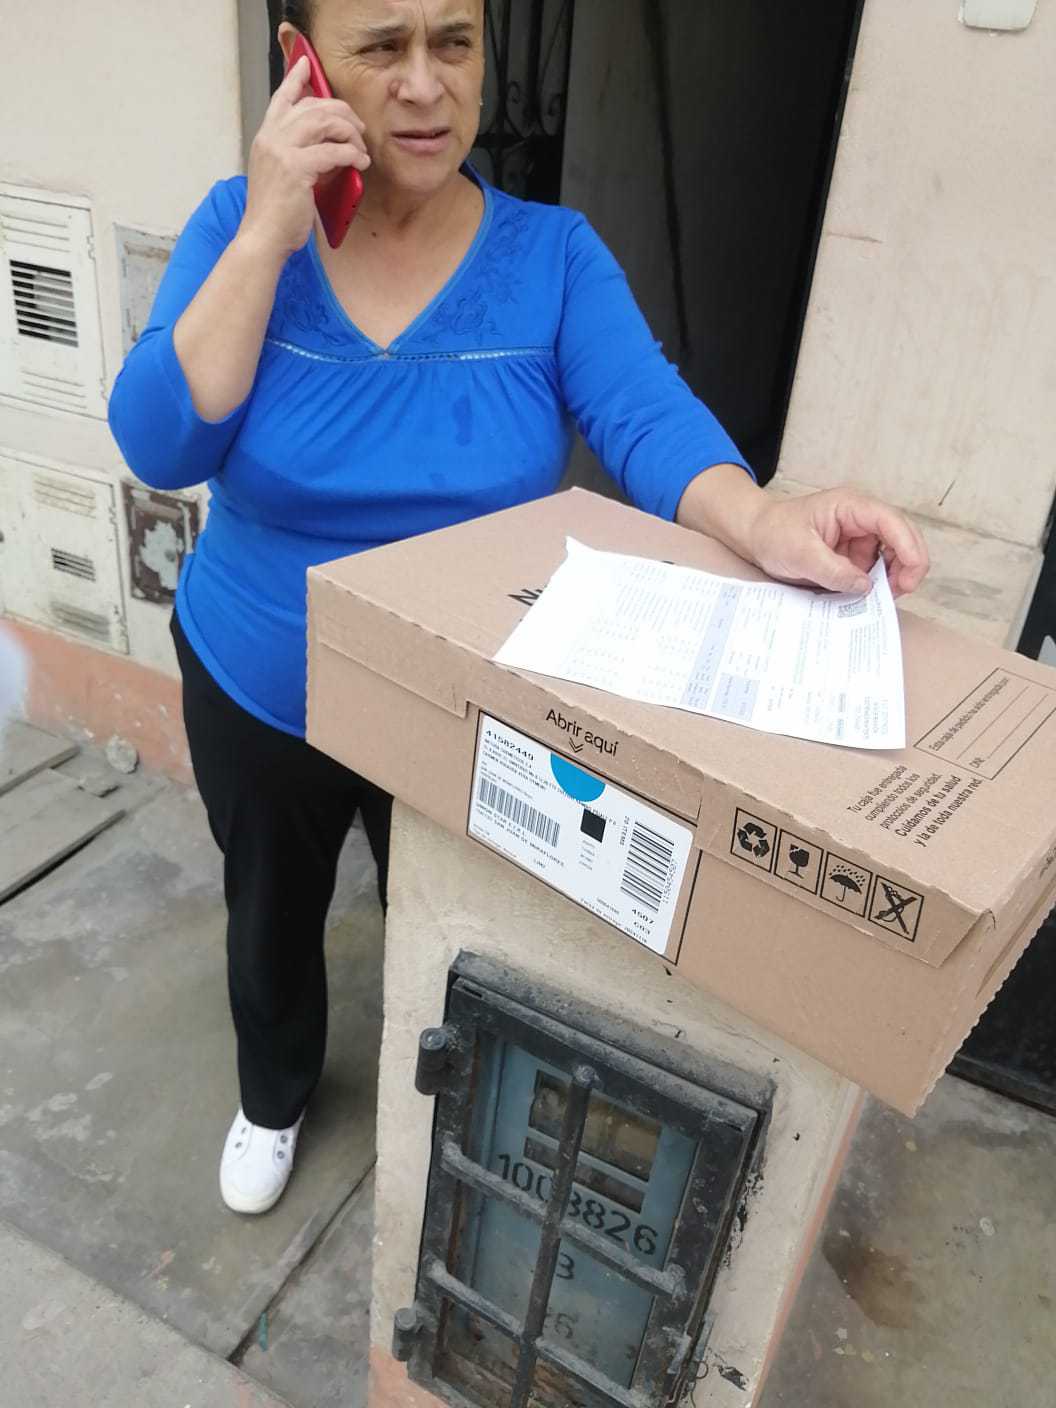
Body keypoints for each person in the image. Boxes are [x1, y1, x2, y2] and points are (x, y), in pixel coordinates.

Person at [108, 0, 929, 1216]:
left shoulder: (551, 257)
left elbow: (644, 415)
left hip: (456, 702)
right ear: (304, 61)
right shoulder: (240, 229)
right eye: (382, 46)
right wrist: (271, 232)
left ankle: (447, 1117)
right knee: (269, 913)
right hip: (262, 680)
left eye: (456, 41)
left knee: (454, 927)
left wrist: (765, 521)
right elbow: (160, 440)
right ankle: (273, 1093)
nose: (426, 83)